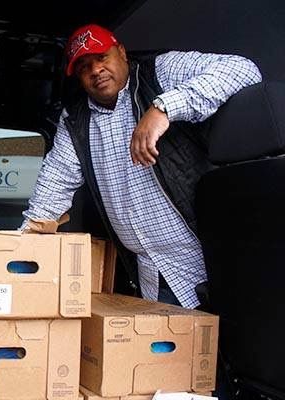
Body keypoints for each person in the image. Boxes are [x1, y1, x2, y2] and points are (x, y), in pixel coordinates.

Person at [21, 24, 262, 309]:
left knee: (229, 335)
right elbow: (55, 182)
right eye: (84, 67)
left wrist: (163, 109)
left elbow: (244, 70)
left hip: (208, 261)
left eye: (101, 57)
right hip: (152, 275)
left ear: (122, 52)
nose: (96, 70)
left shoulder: (159, 72)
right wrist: (21, 246)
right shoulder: (75, 118)